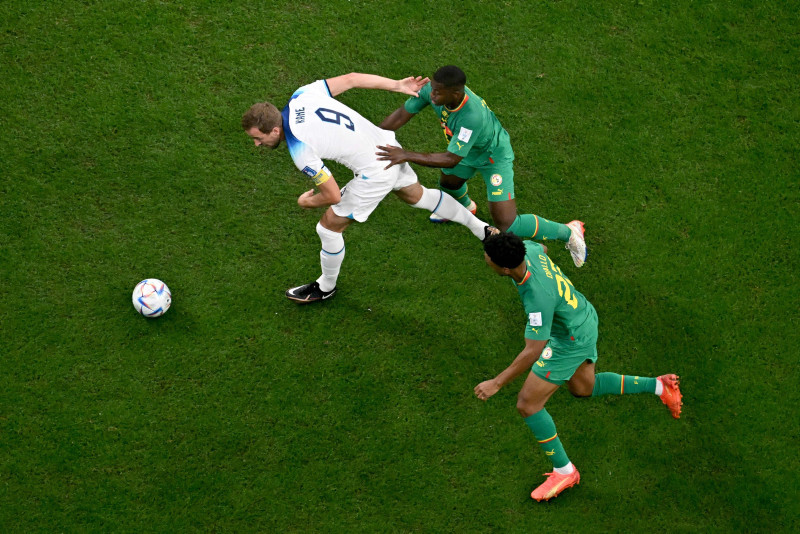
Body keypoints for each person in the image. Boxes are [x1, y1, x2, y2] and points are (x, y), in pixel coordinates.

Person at [242, 73, 497, 304]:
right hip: (385, 146)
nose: (256, 144)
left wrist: (307, 202)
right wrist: (397, 85)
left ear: (275, 129)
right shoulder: (302, 94)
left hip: (375, 171)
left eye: (258, 138)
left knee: (328, 226)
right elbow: (352, 78)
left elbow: (331, 195)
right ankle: (482, 230)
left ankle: (325, 286)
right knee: (418, 196)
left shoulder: (300, 148)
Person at [475, 232, 682, 501]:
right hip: (582, 317)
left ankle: (564, 471)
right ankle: (659, 386)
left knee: (528, 403)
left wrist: (497, 382)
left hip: (569, 340)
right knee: (583, 388)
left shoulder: (537, 297)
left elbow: (533, 350)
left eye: (488, 258)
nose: (485, 259)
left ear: (505, 269)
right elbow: (543, 248)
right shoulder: (528, 249)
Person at [377, 65, 587, 268]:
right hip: (465, 151)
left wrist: (406, 155)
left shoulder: (471, 116)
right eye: (433, 88)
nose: (432, 95)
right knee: (449, 183)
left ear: (456, 93)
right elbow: (402, 113)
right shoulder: (433, 91)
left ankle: (569, 232)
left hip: (492, 157)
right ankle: (466, 207)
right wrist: (371, 135)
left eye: (438, 92)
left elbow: (451, 159)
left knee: (507, 224)